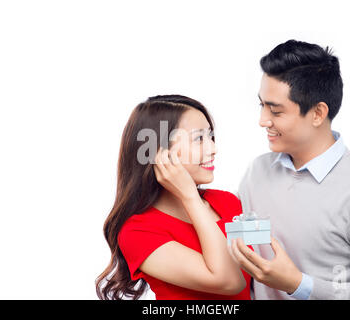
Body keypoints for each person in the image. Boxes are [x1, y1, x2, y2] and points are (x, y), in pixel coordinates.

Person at [231, 40, 350, 299]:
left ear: (317, 113)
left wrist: (298, 284)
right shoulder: (258, 172)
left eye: (275, 111)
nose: (262, 120)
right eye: (261, 105)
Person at [96, 95, 252, 300]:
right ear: (160, 152)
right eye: (199, 138)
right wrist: (190, 197)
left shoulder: (228, 202)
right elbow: (229, 281)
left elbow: (262, 270)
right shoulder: (138, 231)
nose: (213, 149)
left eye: (211, 136)